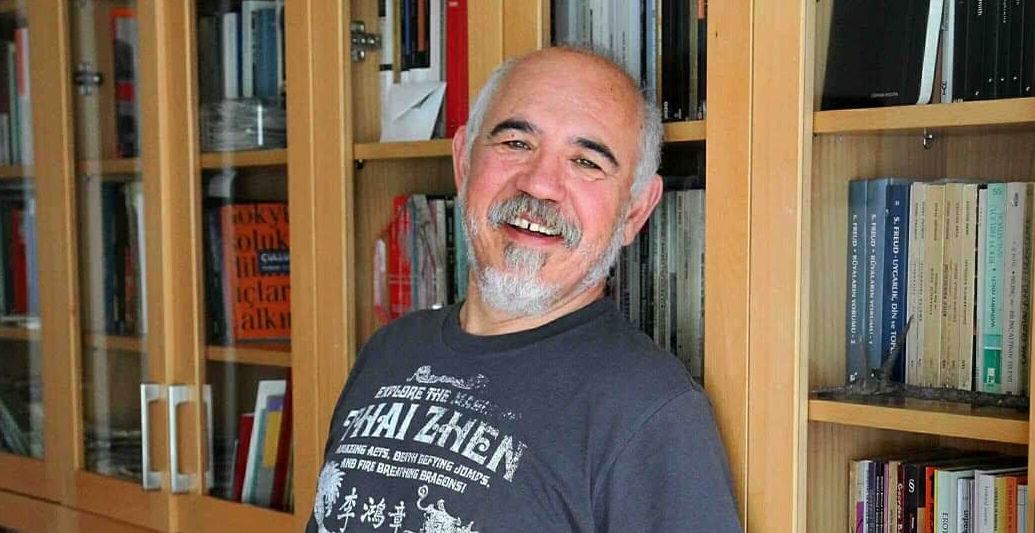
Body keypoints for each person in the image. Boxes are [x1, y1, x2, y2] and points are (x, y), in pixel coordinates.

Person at [307, 46, 741, 533]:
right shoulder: (389, 351)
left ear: (635, 210)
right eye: (516, 143)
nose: (539, 185)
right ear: (463, 161)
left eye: (586, 162)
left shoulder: (652, 411)